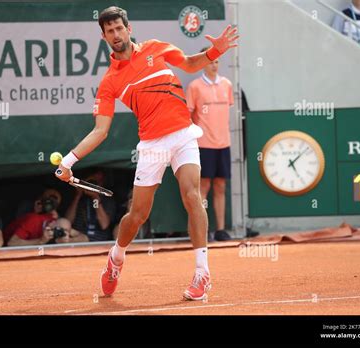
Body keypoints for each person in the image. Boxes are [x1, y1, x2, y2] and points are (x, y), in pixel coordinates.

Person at [55, 6, 238, 300]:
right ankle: (116, 258)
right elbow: (100, 131)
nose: (116, 34)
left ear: (129, 28)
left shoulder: (157, 48)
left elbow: (191, 64)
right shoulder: (109, 82)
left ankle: (202, 273)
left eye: (119, 28)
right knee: (137, 215)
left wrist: (214, 52)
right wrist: (68, 160)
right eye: (110, 31)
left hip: (183, 134)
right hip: (152, 144)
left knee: (193, 195)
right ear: (104, 37)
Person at [186, 47, 234, 242]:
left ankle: (221, 230)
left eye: (216, 61)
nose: (214, 65)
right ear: (204, 64)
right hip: (203, 144)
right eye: (211, 61)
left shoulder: (227, 85)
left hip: (224, 144)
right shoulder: (194, 87)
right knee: (203, 186)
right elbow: (188, 116)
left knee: (221, 186)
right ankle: (203, 230)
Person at [64, 171, 115, 242]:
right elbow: (67, 221)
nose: (92, 186)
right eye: (90, 182)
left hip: (98, 240)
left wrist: (95, 197)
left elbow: (104, 224)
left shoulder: (106, 200)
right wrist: (78, 196)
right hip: (77, 236)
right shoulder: (79, 199)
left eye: (95, 183)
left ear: (102, 184)